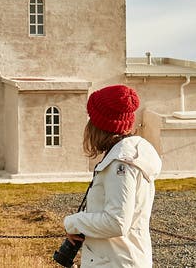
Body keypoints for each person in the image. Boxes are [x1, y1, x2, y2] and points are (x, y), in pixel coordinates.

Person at [63, 84, 162, 267]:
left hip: (116, 262)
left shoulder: (121, 164)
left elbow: (116, 222)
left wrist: (74, 222)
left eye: (91, 117)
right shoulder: (127, 156)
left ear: (101, 124)